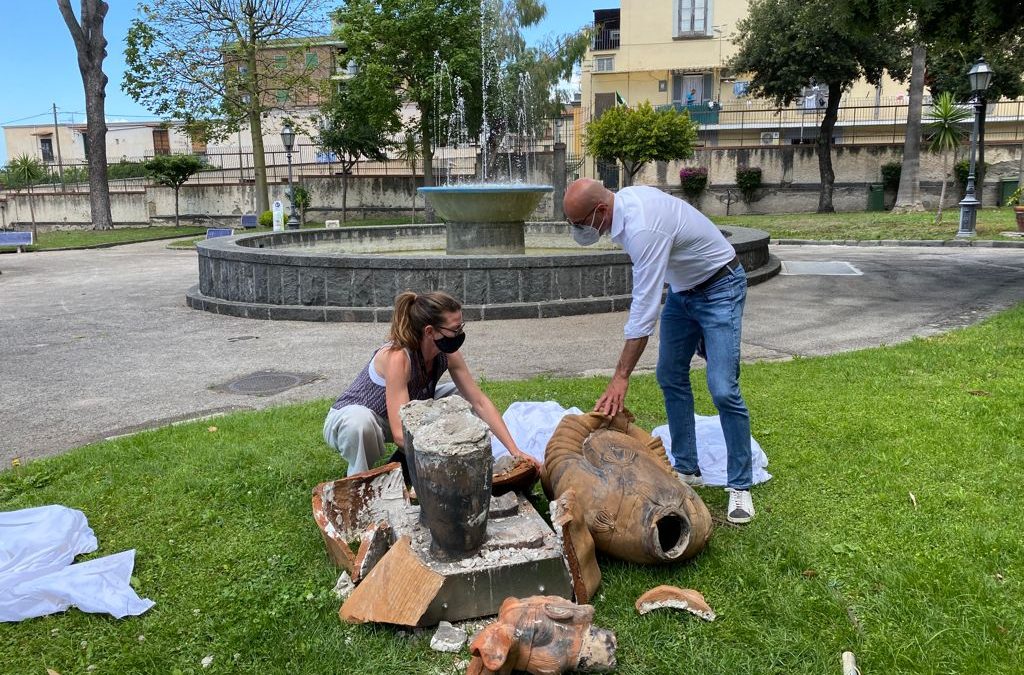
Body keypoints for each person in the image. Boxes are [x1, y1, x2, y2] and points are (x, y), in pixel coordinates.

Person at [562, 178, 755, 524]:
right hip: (684, 292)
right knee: (670, 375)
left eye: (579, 222)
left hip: (720, 286)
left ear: (601, 211)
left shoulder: (642, 227)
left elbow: (644, 310)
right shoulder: (622, 210)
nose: (577, 229)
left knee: (723, 388)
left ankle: (740, 483)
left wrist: (620, 376)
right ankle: (687, 467)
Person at [323, 290, 538, 479]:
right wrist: (445, 453)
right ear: (429, 331)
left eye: (461, 326)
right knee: (360, 422)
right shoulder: (398, 357)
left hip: (400, 413)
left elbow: (479, 402)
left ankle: (404, 462)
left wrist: (515, 451)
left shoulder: (447, 352)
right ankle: (358, 481)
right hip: (354, 420)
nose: (459, 335)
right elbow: (400, 432)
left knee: (459, 398)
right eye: (454, 330)